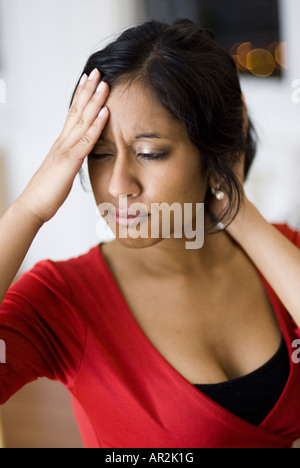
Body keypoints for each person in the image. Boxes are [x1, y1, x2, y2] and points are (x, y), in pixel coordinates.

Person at [0, 19, 300, 449]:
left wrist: (240, 215)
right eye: (99, 154)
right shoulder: (61, 300)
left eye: (149, 152)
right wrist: (28, 209)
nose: (119, 184)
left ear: (215, 150)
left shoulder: (282, 253)